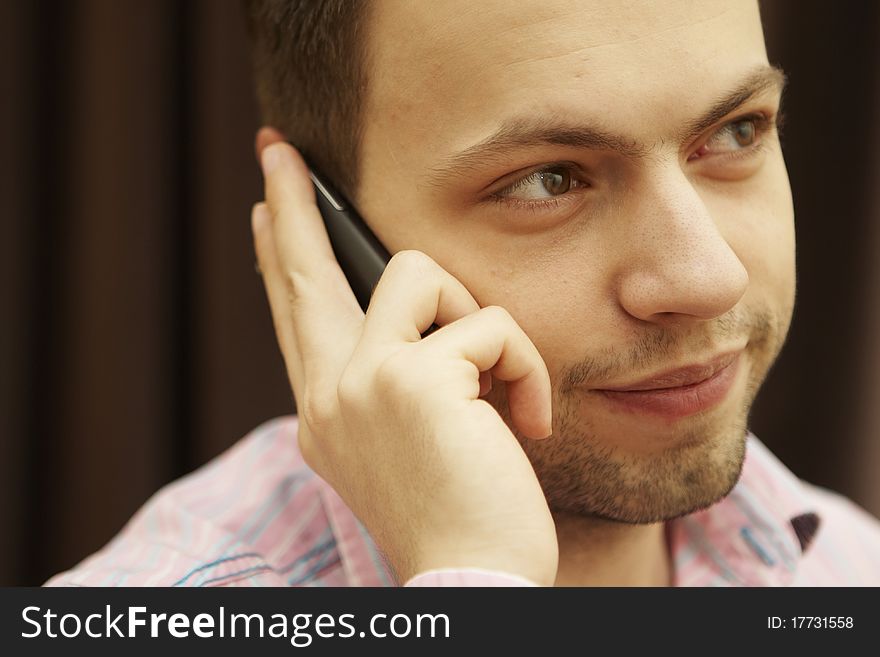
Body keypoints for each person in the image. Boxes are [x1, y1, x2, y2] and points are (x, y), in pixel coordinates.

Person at [47, 0, 880, 587]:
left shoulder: (846, 565)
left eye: (737, 131)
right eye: (549, 179)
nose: (709, 278)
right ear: (323, 224)